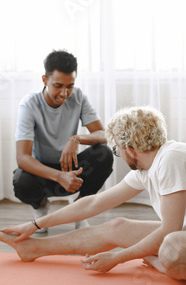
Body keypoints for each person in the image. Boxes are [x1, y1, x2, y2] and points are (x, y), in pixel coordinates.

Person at [0, 106, 186, 285]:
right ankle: (33, 248)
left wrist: (117, 258)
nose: (118, 155)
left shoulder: (172, 159)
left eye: (117, 149)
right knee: (117, 226)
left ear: (130, 148)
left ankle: (161, 264)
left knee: (173, 245)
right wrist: (35, 224)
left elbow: (171, 229)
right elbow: (93, 203)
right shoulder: (148, 167)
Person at [13, 50, 113, 232]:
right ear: (44, 80)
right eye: (58, 85)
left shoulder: (78, 97)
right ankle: (41, 207)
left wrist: (76, 139)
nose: (65, 93)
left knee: (104, 154)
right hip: (44, 174)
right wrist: (59, 176)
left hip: (72, 169)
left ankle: (80, 209)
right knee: (21, 180)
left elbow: (104, 134)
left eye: (70, 86)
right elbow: (22, 158)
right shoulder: (29, 105)